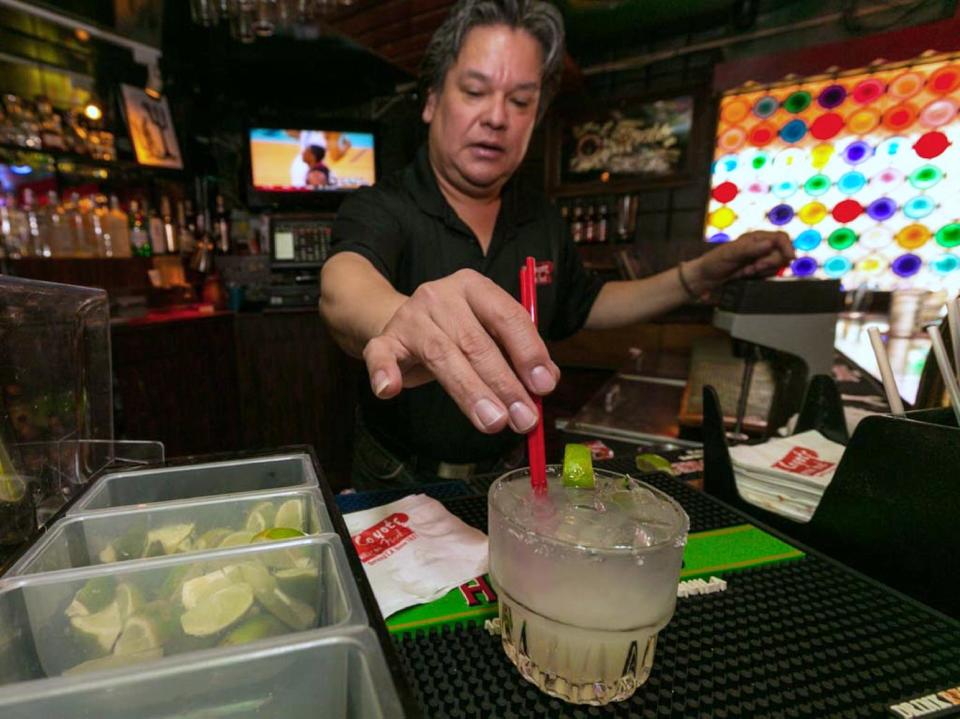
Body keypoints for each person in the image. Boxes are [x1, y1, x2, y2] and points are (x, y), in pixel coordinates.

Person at [320, 0, 794, 490]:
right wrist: (402, 317)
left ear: (535, 118)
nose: (497, 117)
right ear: (432, 100)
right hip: (397, 474)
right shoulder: (382, 205)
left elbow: (585, 302)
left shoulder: (540, 215)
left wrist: (698, 276)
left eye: (521, 101)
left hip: (509, 472)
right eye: (475, 91)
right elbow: (344, 287)